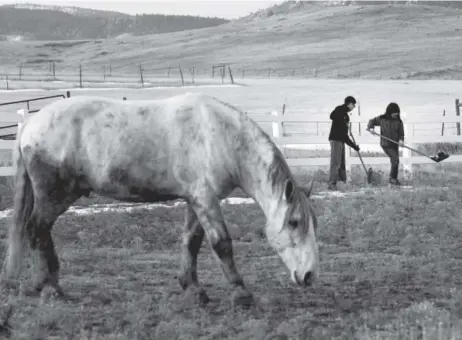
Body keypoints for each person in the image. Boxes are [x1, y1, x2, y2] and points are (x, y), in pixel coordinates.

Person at [367, 102, 404, 186]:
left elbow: (401, 134)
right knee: (395, 159)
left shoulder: (399, 121)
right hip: (386, 144)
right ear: (390, 112)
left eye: (397, 112)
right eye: (395, 112)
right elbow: (371, 121)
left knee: (396, 161)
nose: (396, 114)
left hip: (395, 144)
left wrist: (401, 140)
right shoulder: (382, 119)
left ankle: (393, 179)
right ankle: (392, 180)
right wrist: (371, 128)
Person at [328, 96, 360, 191]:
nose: (354, 107)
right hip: (335, 139)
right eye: (353, 105)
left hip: (341, 140)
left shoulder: (346, 116)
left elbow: (345, 136)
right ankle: (331, 184)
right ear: (349, 103)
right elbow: (332, 116)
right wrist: (342, 117)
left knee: (342, 163)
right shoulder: (339, 109)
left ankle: (342, 183)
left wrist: (354, 146)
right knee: (336, 163)